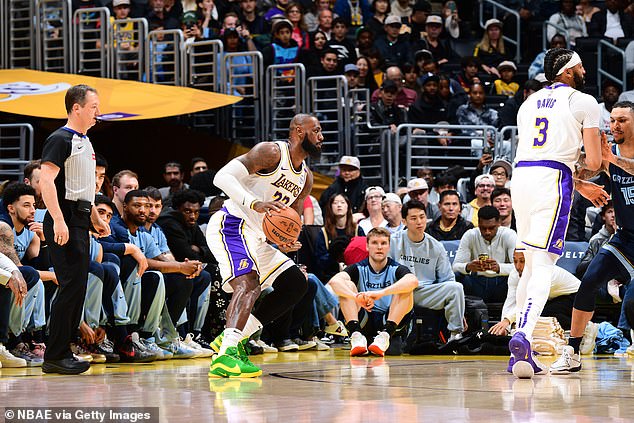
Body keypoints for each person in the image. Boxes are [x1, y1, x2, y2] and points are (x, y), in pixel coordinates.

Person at [509, 48, 607, 379]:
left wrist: (575, 181)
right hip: (553, 179)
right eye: (579, 66)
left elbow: (539, 152)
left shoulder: (527, 104)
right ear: (566, 72)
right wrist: (583, 175)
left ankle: (517, 343)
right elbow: (594, 163)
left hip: (520, 177)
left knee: (531, 262)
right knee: (544, 264)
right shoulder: (584, 101)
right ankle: (524, 332)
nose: (583, 71)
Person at [206, 114, 320, 378]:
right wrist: (255, 203)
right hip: (232, 225)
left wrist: (287, 237)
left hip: (257, 237)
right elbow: (222, 177)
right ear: (299, 131)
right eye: (317, 130)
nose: (321, 137)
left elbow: (290, 215)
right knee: (248, 284)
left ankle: (232, 339)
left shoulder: (306, 178)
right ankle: (226, 357)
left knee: (296, 283)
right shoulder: (271, 152)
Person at [550, 101, 634, 374]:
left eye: (622, 120)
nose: (615, 125)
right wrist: (580, 183)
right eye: (612, 120)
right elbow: (571, 172)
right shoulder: (610, 154)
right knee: (588, 282)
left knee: (631, 305)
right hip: (624, 239)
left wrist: (609, 159)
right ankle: (572, 351)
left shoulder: (614, 157)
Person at [39, 84, 110, 374]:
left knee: (78, 288)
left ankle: (63, 350)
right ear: (77, 108)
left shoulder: (86, 141)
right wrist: (57, 220)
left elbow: (81, 187)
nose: (98, 112)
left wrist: (94, 216)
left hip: (79, 219)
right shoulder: (59, 139)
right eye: (94, 107)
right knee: (70, 287)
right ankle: (54, 355)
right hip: (64, 218)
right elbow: (46, 182)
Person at [327, 227, 418, 356]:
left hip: (389, 320)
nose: (379, 247)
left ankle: (385, 336)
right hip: (365, 319)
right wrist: (356, 297)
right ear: (367, 246)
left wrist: (381, 293)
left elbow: (413, 281)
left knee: (405, 288)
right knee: (346, 285)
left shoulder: (396, 268)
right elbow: (334, 282)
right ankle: (356, 336)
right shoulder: (358, 268)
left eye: (383, 243)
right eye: (375, 243)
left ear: (389, 246)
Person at [390, 200, 465, 343]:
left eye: (422, 217)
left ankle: (455, 336)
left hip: (423, 292)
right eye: (413, 218)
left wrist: (459, 309)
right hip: (397, 293)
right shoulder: (393, 241)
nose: (419, 222)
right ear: (404, 221)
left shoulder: (436, 246)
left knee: (456, 288)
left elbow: (448, 279)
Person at [488, 250, 580, 340]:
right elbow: (510, 302)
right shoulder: (514, 274)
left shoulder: (543, 274)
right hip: (555, 298)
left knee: (540, 314)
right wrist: (504, 328)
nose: (518, 266)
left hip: (576, 297)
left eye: (522, 261)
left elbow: (529, 302)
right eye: (515, 261)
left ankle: (581, 329)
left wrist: (507, 320)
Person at [452, 206, 516, 304]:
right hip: (477, 282)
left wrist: (499, 267)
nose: (487, 232)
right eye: (483, 228)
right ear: (478, 223)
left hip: (502, 282)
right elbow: (455, 267)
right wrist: (468, 267)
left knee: (519, 277)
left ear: (499, 223)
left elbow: (519, 268)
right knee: (457, 276)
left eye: (491, 228)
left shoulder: (509, 235)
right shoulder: (470, 235)